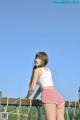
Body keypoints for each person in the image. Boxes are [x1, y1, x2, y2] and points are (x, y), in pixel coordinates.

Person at [26, 52, 65, 120]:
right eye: (36, 58)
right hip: (57, 95)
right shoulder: (48, 70)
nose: (36, 60)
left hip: (48, 95)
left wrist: (27, 97)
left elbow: (32, 89)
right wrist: (34, 97)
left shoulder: (37, 70)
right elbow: (42, 87)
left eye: (39, 58)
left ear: (44, 60)